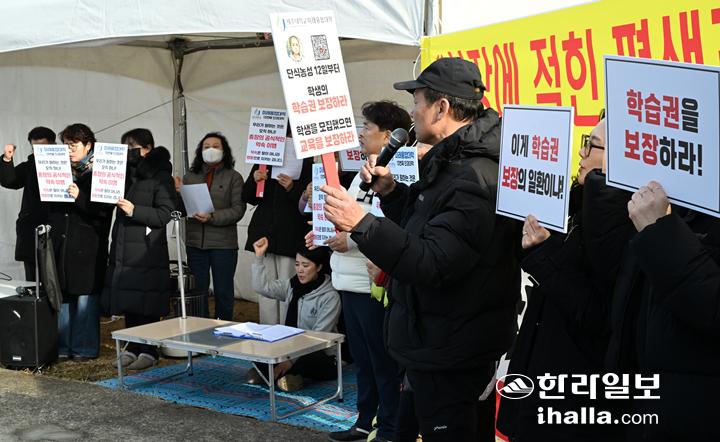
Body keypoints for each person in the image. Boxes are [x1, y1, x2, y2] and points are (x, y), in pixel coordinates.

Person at [321, 58, 521, 441]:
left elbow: (433, 261)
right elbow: (425, 229)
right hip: (434, 341)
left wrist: (361, 223)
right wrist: (392, 194)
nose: (412, 113)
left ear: (441, 108)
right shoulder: (452, 160)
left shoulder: (473, 175)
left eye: (417, 102)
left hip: (452, 349)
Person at [496, 119, 624, 442]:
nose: (581, 153)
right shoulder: (575, 203)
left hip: (575, 394)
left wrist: (544, 253)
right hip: (539, 372)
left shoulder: (625, 226)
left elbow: (598, 313)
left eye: (592, 145)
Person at [326, 100, 411, 442]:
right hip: (347, 279)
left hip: (372, 283)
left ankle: (389, 428)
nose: (360, 134)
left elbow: (389, 227)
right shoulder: (362, 173)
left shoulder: (398, 173)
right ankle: (364, 421)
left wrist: (351, 239)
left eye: (367, 127)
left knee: (382, 361)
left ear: (389, 136)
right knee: (362, 359)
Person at [103, 128, 177, 370]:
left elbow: (165, 213)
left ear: (147, 149)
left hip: (147, 248)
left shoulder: (160, 175)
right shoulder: (122, 173)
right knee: (129, 299)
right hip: (123, 244)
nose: (128, 152)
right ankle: (132, 346)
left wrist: (134, 210)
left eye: (132, 147)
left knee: (147, 301)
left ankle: (149, 350)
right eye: (125, 147)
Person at [50, 123, 113, 361]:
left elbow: (103, 211)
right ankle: (63, 346)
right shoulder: (60, 170)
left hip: (89, 245)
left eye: (74, 145)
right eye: (66, 145)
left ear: (88, 145)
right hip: (64, 243)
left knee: (86, 296)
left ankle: (84, 348)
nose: (69, 150)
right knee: (64, 295)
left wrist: (79, 196)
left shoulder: (103, 170)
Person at [249, 237, 340, 392]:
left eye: (305, 265)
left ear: (319, 267)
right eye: (297, 264)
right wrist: (259, 257)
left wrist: (290, 361)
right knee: (258, 346)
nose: (300, 270)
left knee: (311, 358)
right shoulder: (291, 286)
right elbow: (262, 288)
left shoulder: (330, 296)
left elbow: (318, 337)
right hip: (288, 349)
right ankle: (284, 375)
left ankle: (283, 374)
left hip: (316, 351)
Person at [242, 128, 313, 324]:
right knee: (264, 287)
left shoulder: (307, 162)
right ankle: (268, 330)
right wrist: (255, 181)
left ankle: (287, 330)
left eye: (292, 137)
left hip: (291, 234)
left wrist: (293, 188)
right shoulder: (264, 159)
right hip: (263, 233)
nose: (288, 141)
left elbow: (310, 205)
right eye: (286, 136)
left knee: (287, 286)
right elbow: (248, 197)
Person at [176, 132, 246, 321]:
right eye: (206, 147)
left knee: (223, 291)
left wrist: (212, 217)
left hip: (224, 245)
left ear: (224, 151)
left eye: (216, 146)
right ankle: (200, 329)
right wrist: (178, 193)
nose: (211, 150)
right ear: (200, 151)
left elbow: (238, 210)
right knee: (198, 291)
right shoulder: (190, 177)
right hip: (195, 243)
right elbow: (181, 209)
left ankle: (224, 328)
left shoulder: (234, 177)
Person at [0, 126, 56, 281]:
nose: (38, 152)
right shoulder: (29, 166)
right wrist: (7, 159)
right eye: (35, 148)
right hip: (31, 229)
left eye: (43, 147)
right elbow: (9, 181)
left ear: (53, 145)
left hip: (55, 228)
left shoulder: (66, 165)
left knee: (55, 278)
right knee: (32, 277)